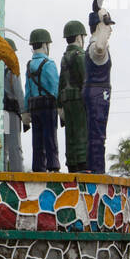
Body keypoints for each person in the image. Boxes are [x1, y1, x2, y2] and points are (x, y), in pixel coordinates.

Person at [84, 0, 115, 173]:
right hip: (98, 93)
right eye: (107, 26)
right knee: (97, 135)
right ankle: (97, 170)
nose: (110, 29)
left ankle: (95, 167)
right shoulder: (96, 47)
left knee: (96, 134)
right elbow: (100, 49)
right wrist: (102, 26)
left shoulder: (93, 45)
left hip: (96, 92)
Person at [25, 28, 61, 172]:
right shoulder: (48, 64)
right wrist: (60, 104)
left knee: (37, 138)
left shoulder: (29, 65)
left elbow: (27, 90)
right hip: (48, 104)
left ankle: (38, 166)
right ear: (45, 45)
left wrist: (25, 110)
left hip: (34, 105)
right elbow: (55, 86)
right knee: (50, 136)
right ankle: (53, 165)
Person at [59, 20, 88, 173]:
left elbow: (61, 82)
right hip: (78, 99)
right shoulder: (80, 55)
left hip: (66, 100)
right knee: (81, 131)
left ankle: (72, 162)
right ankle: (83, 162)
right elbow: (85, 80)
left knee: (69, 133)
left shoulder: (64, 57)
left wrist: (59, 105)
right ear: (78, 37)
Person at [1, 38, 29, 173]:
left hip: (0, 113)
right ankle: (18, 175)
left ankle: (2, 173)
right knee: (15, 146)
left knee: (3, 146)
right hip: (12, 112)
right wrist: (24, 112)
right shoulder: (12, 70)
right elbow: (18, 92)